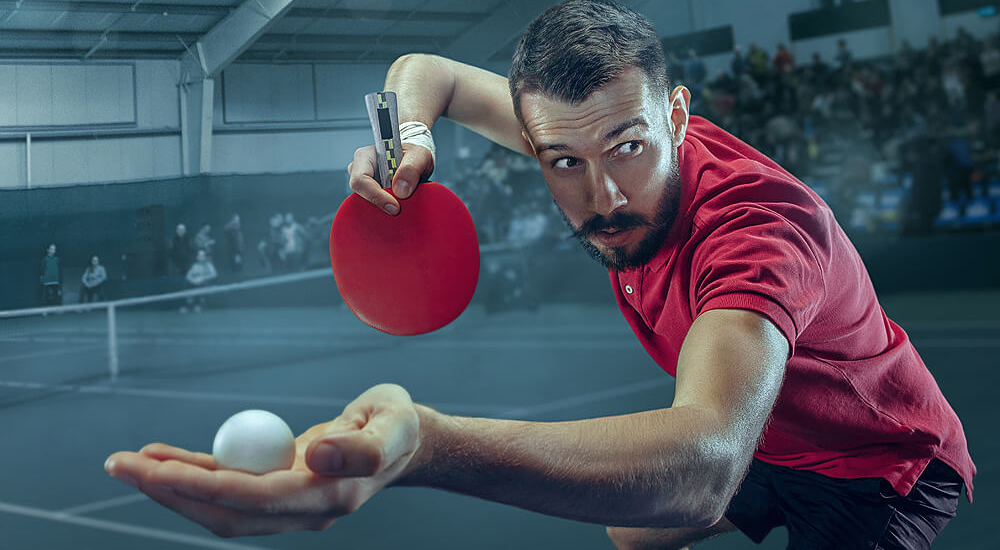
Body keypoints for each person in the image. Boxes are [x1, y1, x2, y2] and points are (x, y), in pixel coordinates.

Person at [105, 2, 975, 548]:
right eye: (561, 160)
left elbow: (707, 458)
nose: (601, 195)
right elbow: (430, 73)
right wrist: (407, 141)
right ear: (533, 140)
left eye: (629, 148)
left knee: (678, 481)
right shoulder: (585, 145)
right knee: (626, 530)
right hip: (772, 434)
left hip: (878, 466)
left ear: (676, 115)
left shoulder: (758, 229)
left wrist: (428, 446)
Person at [181, 249, 216, 313]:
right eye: (199, 256)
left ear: (205, 257)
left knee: (202, 286)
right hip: (194, 283)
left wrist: (203, 278)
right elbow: (188, 276)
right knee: (188, 286)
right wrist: (193, 280)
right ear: (197, 257)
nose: (200, 257)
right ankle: (188, 306)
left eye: (202, 256)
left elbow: (214, 274)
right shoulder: (195, 265)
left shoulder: (208, 265)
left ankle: (199, 305)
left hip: (204, 283)